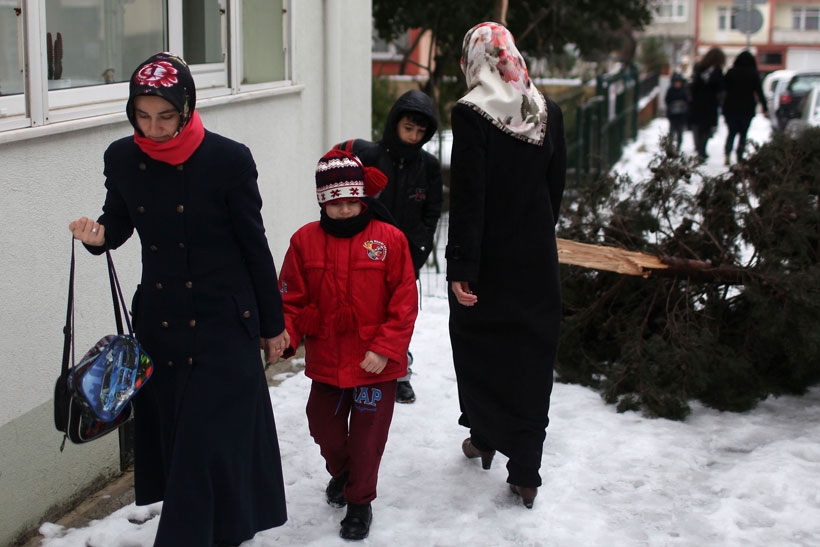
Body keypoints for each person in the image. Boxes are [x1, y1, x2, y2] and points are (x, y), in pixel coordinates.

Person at [68, 52, 289, 547]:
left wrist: (271, 325)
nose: (155, 127)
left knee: (206, 443)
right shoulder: (122, 157)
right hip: (163, 326)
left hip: (224, 324)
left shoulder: (229, 160)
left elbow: (255, 246)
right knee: (188, 446)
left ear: (187, 105)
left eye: (166, 115)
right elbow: (118, 221)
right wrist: (97, 235)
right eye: (143, 116)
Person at [446, 22, 566, 510]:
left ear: (475, 59)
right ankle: (526, 472)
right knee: (531, 356)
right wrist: (535, 233)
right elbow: (554, 189)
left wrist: (461, 266)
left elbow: (469, 197)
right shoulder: (547, 112)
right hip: (536, 258)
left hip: (488, 260)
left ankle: (484, 436)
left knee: (479, 348)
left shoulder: (472, 112)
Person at [278, 148, 418, 540]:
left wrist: (385, 348)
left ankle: (359, 502)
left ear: (363, 198)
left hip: (375, 363)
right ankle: (343, 472)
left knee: (367, 438)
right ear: (323, 200)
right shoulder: (304, 241)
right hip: (328, 358)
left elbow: (404, 300)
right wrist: (286, 335)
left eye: (351, 202)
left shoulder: (389, 240)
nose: (343, 210)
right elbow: (290, 297)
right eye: (335, 202)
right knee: (323, 425)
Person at [340, 89, 443, 404]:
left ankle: (400, 375)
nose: (413, 136)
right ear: (395, 124)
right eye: (408, 128)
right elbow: (338, 187)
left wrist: (420, 249)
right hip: (365, 253)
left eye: (420, 131)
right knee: (363, 313)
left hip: (405, 256)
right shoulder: (368, 155)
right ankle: (358, 367)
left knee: (400, 316)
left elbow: (432, 211)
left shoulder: (428, 166)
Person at [722, 51, 768, 164]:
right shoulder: (753, 74)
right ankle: (739, 156)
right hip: (747, 109)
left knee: (731, 132)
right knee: (743, 134)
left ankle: (727, 154)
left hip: (731, 108)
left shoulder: (731, 72)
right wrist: (765, 107)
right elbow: (759, 92)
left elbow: (723, 88)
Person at [688, 47, 726, 161]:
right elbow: (721, 87)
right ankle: (701, 149)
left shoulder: (699, 68)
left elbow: (693, 86)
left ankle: (699, 148)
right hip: (710, 104)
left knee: (698, 126)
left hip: (698, 103)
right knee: (706, 128)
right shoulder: (717, 71)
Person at [665, 72, 690, 152]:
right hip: (673, 115)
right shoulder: (671, 90)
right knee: (672, 131)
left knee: (680, 132)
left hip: (681, 115)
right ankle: (671, 146)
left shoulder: (684, 90)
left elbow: (687, 100)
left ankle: (678, 146)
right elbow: (667, 100)